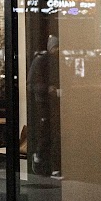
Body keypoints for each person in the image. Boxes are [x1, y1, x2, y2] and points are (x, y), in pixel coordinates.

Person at [26, 34, 61, 177]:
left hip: (52, 102)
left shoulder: (55, 61)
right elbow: (30, 85)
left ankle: (51, 165)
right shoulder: (41, 61)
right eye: (57, 47)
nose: (58, 50)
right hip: (43, 103)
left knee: (53, 133)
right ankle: (42, 161)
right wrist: (48, 89)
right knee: (46, 132)